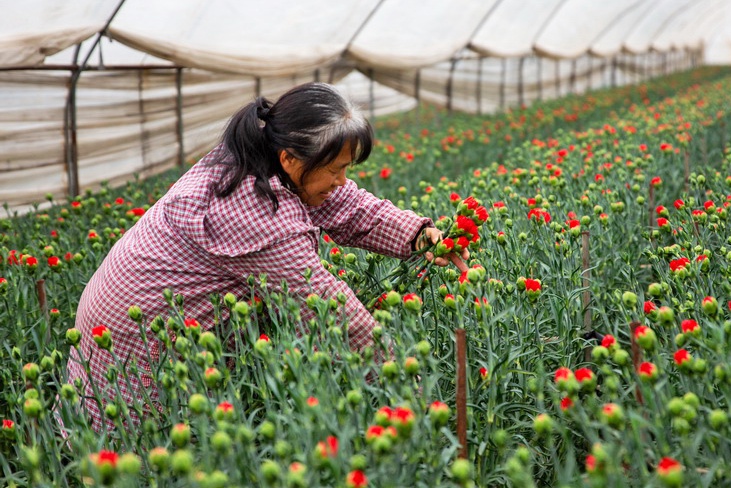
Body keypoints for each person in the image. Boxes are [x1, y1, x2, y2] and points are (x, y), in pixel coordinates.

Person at [64, 82, 469, 432]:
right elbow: (332, 311)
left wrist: (419, 236)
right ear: (291, 159)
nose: (342, 180)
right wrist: (412, 395)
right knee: (136, 454)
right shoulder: (253, 213)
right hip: (136, 338)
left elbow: (344, 202)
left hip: (129, 317)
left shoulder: (263, 158)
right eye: (336, 168)